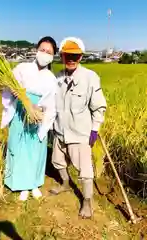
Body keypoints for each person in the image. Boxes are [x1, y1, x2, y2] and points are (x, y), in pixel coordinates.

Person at [50, 37, 107, 218]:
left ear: (81, 57)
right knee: (57, 161)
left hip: (80, 133)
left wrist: (94, 129)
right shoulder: (57, 78)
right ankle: (66, 184)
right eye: (67, 55)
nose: (71, 59)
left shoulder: (90, 77)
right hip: (60, 130)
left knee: (85, 171)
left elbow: (98, 107)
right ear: (62, 56)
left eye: (75, 55)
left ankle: (87, 202)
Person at [1, 36, 57, 201]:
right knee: (19, 147)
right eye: (42, 50)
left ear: (52, 56)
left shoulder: (51, 78)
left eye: (49, 52)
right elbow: (7, 85)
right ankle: (22, 184)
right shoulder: (22, 68)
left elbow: (52, 102)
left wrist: (40, 110)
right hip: (20, 110)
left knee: (35, 148)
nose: (44, 53)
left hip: (38, 114)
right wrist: (15, 92)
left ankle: (33, 183)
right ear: (36, 50)